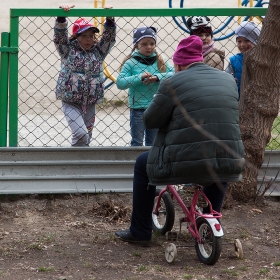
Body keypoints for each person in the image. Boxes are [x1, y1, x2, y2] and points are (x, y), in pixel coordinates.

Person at [115, 36, 245, 246]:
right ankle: (208, 222)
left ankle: (140, 231)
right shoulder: (228, 80)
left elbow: (150, 120)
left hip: (186, 162)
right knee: (220, 158)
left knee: (142, 164)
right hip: (231, 161)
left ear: (178, 63)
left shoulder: (172, 82)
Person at [54, 3, 116, 146]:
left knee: (87, 135)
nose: (89, 39)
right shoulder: (67, 51)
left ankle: (81, 162)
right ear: (76, 37)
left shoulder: (98, 52)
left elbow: (108, 39)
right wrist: (62, 18)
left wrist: (110, 20)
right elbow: (59, 38)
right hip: (71, 100)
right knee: (80, 133)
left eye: (91, 36)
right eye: (84, 36)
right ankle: (75, 160)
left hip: (90, 101)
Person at [116, 27, 174, 146]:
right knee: (137, 142)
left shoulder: (160, 60)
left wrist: (157, 77)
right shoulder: (131, 62)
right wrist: (139, 77)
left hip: (155, 107)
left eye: (152, 43)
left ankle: (150, 164)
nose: (149, 47)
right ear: (137, 45)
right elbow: (120, 83)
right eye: (144, 44)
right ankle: (136, 162)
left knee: (153, 142)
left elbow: (174, 74)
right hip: (137, 108)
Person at [225, 21, 261, 99]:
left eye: (247, 40)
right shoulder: (234, 61)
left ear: (256, 40)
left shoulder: (263, 60)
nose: (242, 45)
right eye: (239, 41)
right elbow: (226, 79)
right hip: (239, 100)